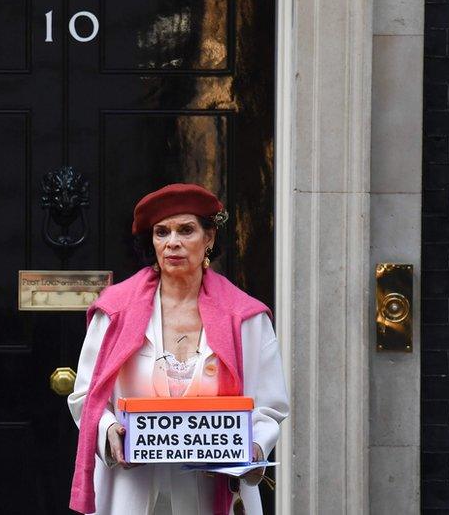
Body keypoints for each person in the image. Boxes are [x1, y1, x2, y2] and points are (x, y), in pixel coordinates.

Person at [67, 183, 290, 515]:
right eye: (162, 232)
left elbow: (269, 407)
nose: (173, 242)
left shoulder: (246, 317)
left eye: (186, 230)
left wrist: (254, 445)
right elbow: (87, 396)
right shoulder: (114, 312)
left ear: (209, 238)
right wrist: (108, 431)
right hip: (129, 491)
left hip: (209, 489)